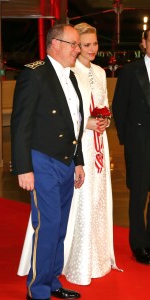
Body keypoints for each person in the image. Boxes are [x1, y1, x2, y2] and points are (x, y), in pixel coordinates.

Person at [11, 24, 85, 300]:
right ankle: (37, 289)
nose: (77, 49)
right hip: (42, 160)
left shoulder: (71, 76)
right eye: (74, 44)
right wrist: (23, 167)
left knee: (61, 224)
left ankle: (52, 280)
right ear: (55, 44)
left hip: (66, 159)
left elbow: (74, 122)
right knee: (49, 223)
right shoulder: (35, 75)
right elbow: (21, 125)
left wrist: (78, 161)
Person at [62, 22, 118, 285]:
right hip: (81, 142)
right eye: (86, 45)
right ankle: (77, 258)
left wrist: (105, 120)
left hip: (100, 141)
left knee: (99, 194)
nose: (92, 49)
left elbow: (103, 104)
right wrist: (87, 124)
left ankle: (98, 255)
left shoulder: (99, 71)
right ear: (76, 46)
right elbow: (68, 111)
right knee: (81, 197)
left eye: (95, 44)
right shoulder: (70, 71)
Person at [112, 27, 150, 265]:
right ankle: (139, 244)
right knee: (138, 194)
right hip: (139, 142)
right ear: (144, 43)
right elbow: (119, 107)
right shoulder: (129, 71)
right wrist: (129, 141)